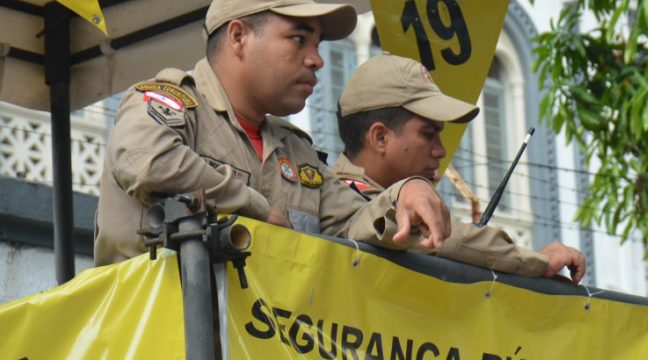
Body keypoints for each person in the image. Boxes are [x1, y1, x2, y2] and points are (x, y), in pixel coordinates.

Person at [94, 0, 453, 265]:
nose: (317, 60)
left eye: (318, 45)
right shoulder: (169, 104)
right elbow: (149, 162)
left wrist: (405, 195)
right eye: (299, 39)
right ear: (239, 37)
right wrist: (255, 208)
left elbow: (355, 223)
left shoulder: (296, 152)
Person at [333, 54, 586, 283]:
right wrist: (536, 262)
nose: (440, 151)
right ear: (380, 138)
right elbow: (450, 241)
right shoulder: (337, 197)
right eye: (428, 134)